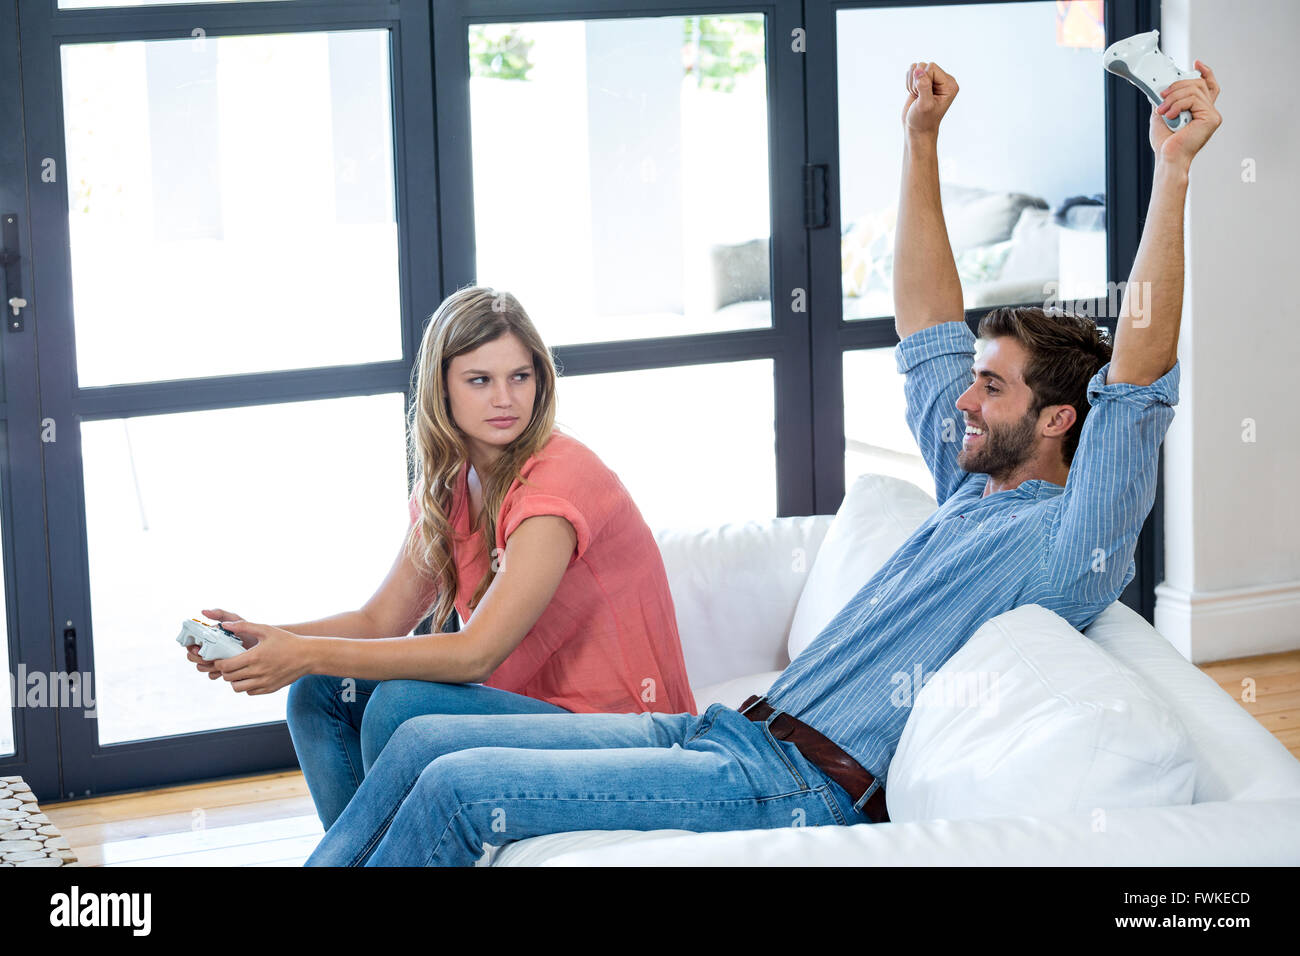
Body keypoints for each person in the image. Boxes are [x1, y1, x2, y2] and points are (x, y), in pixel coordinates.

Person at [303, 58, 1222, 866]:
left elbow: (1138, 376)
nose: (964, 401)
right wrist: (921, 141)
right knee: (422, 740)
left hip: (793, 786)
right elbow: (928, 327)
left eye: (991, 388)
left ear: (1062, 419)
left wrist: (1172, 170)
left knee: (461, 788)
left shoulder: (1070, 543)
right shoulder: (970, 486)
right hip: (730, 732)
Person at [183, 286, 697, 829]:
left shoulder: (559, 479)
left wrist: (305, 651)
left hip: (627, 733)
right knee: (320, 692)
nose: (505, 398)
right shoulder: (451, 487)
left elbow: (477, 656)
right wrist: (267, 639)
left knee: (400, 707)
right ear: (442, 390)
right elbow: (377, 621)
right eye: (480, 380)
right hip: (539, 718)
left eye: (520, 377)